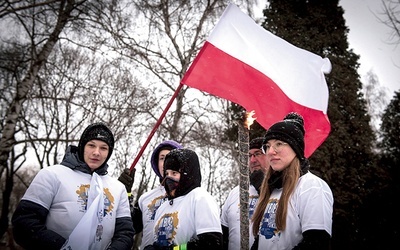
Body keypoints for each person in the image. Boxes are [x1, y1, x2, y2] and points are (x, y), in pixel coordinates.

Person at [12, 122, 134, 250]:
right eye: (91, 145)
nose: (97, 152)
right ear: (82, 147)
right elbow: (24, 223)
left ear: (109, 153)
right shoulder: (52, 174)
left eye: (103, 148)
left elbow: (125, 234)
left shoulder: (118, 188)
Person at [250, 112, 334, 250]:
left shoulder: (311, 187)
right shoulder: (273, 189)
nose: (271, 151)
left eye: (278, 144)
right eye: (268, 146)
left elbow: (317, 243)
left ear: (295, 148)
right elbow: (263, 240)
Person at [144, 148, 223, 249]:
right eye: (166, 174)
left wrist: (176, 249)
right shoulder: (162, 207)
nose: (169, 178)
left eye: (174, 173)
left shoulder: (200, 198)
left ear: (187, 173)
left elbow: (211, 243)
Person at [118, 140, 183, 248]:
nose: (166, 162)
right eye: (162, 158)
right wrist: (125, 194)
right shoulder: (145, 198)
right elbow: (129, 227)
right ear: (156, 163)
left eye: (171, 157)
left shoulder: (191, 196)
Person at [221, 137, 268, 250]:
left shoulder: (281, 189)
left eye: (258, 153)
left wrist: (262, 186)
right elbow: (223, 233)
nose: (252, 160)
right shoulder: (235, 192)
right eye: (249, 155)